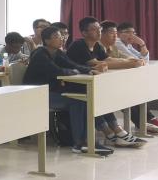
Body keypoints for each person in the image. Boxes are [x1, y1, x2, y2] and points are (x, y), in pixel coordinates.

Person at [24, 26, 113, 156]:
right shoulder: (40, 54)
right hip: (36, 94)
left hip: (51, 91)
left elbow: (73, 65)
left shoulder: (57, 52)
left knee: (84, 98)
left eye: (61, 36)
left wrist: (90, 70)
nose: (61, 39)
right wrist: (74, 71)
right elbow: (57, 71)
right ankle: (80, 143)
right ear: (47, 41)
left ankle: (86, 141)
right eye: (56, 37)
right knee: (78, 101)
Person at [63, 18, 145, 148]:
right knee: (94, 99)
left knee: (102, 96)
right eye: (94, 29)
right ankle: (112, 133)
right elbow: (96, 63)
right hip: (74, 86)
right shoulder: (78, 45)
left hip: (90, 84)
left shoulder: (96, 45)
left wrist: (131, 61)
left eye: (99, 29)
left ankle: (116, 132)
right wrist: (130, 64)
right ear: (84, 33)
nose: (98, 32)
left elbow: (108, 59)